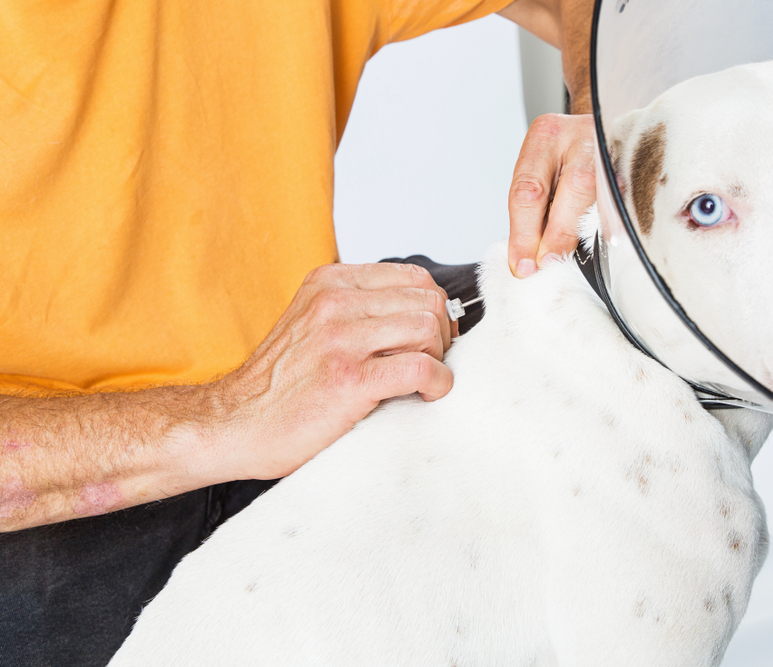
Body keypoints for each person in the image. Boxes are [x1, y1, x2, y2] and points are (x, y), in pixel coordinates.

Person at [0, 0, 597, 664]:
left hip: (302, 421)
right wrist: (224, 416)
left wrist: (604, 112)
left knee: (586, 328)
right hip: (51, 508)